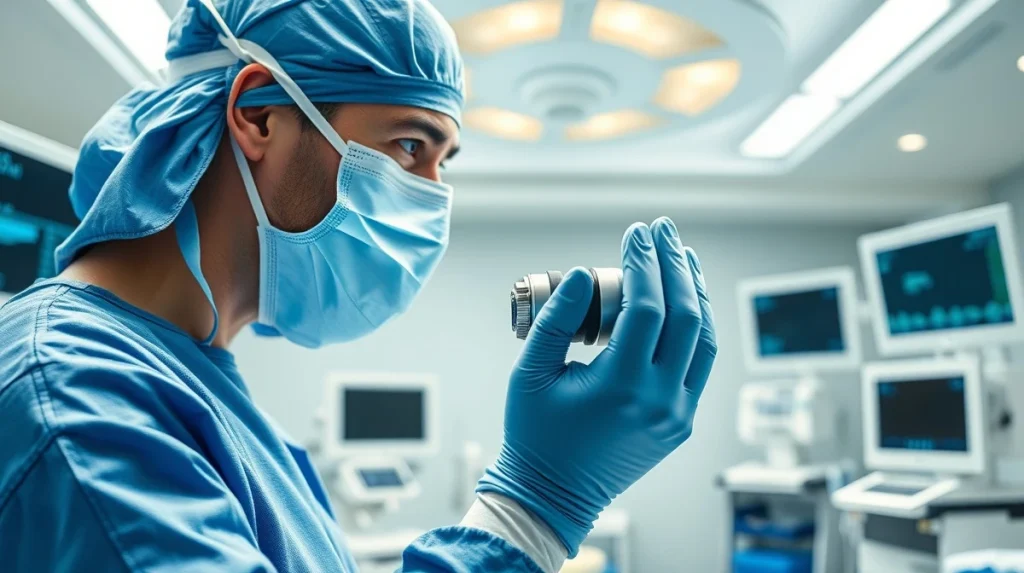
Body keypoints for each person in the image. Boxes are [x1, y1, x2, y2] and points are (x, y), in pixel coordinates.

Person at [0, 0, 717, 571]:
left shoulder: (205, 392)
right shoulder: (74, 400)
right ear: (258, 114)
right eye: (410, 146)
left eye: (445, 162)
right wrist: (530, 508)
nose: (433, 197)